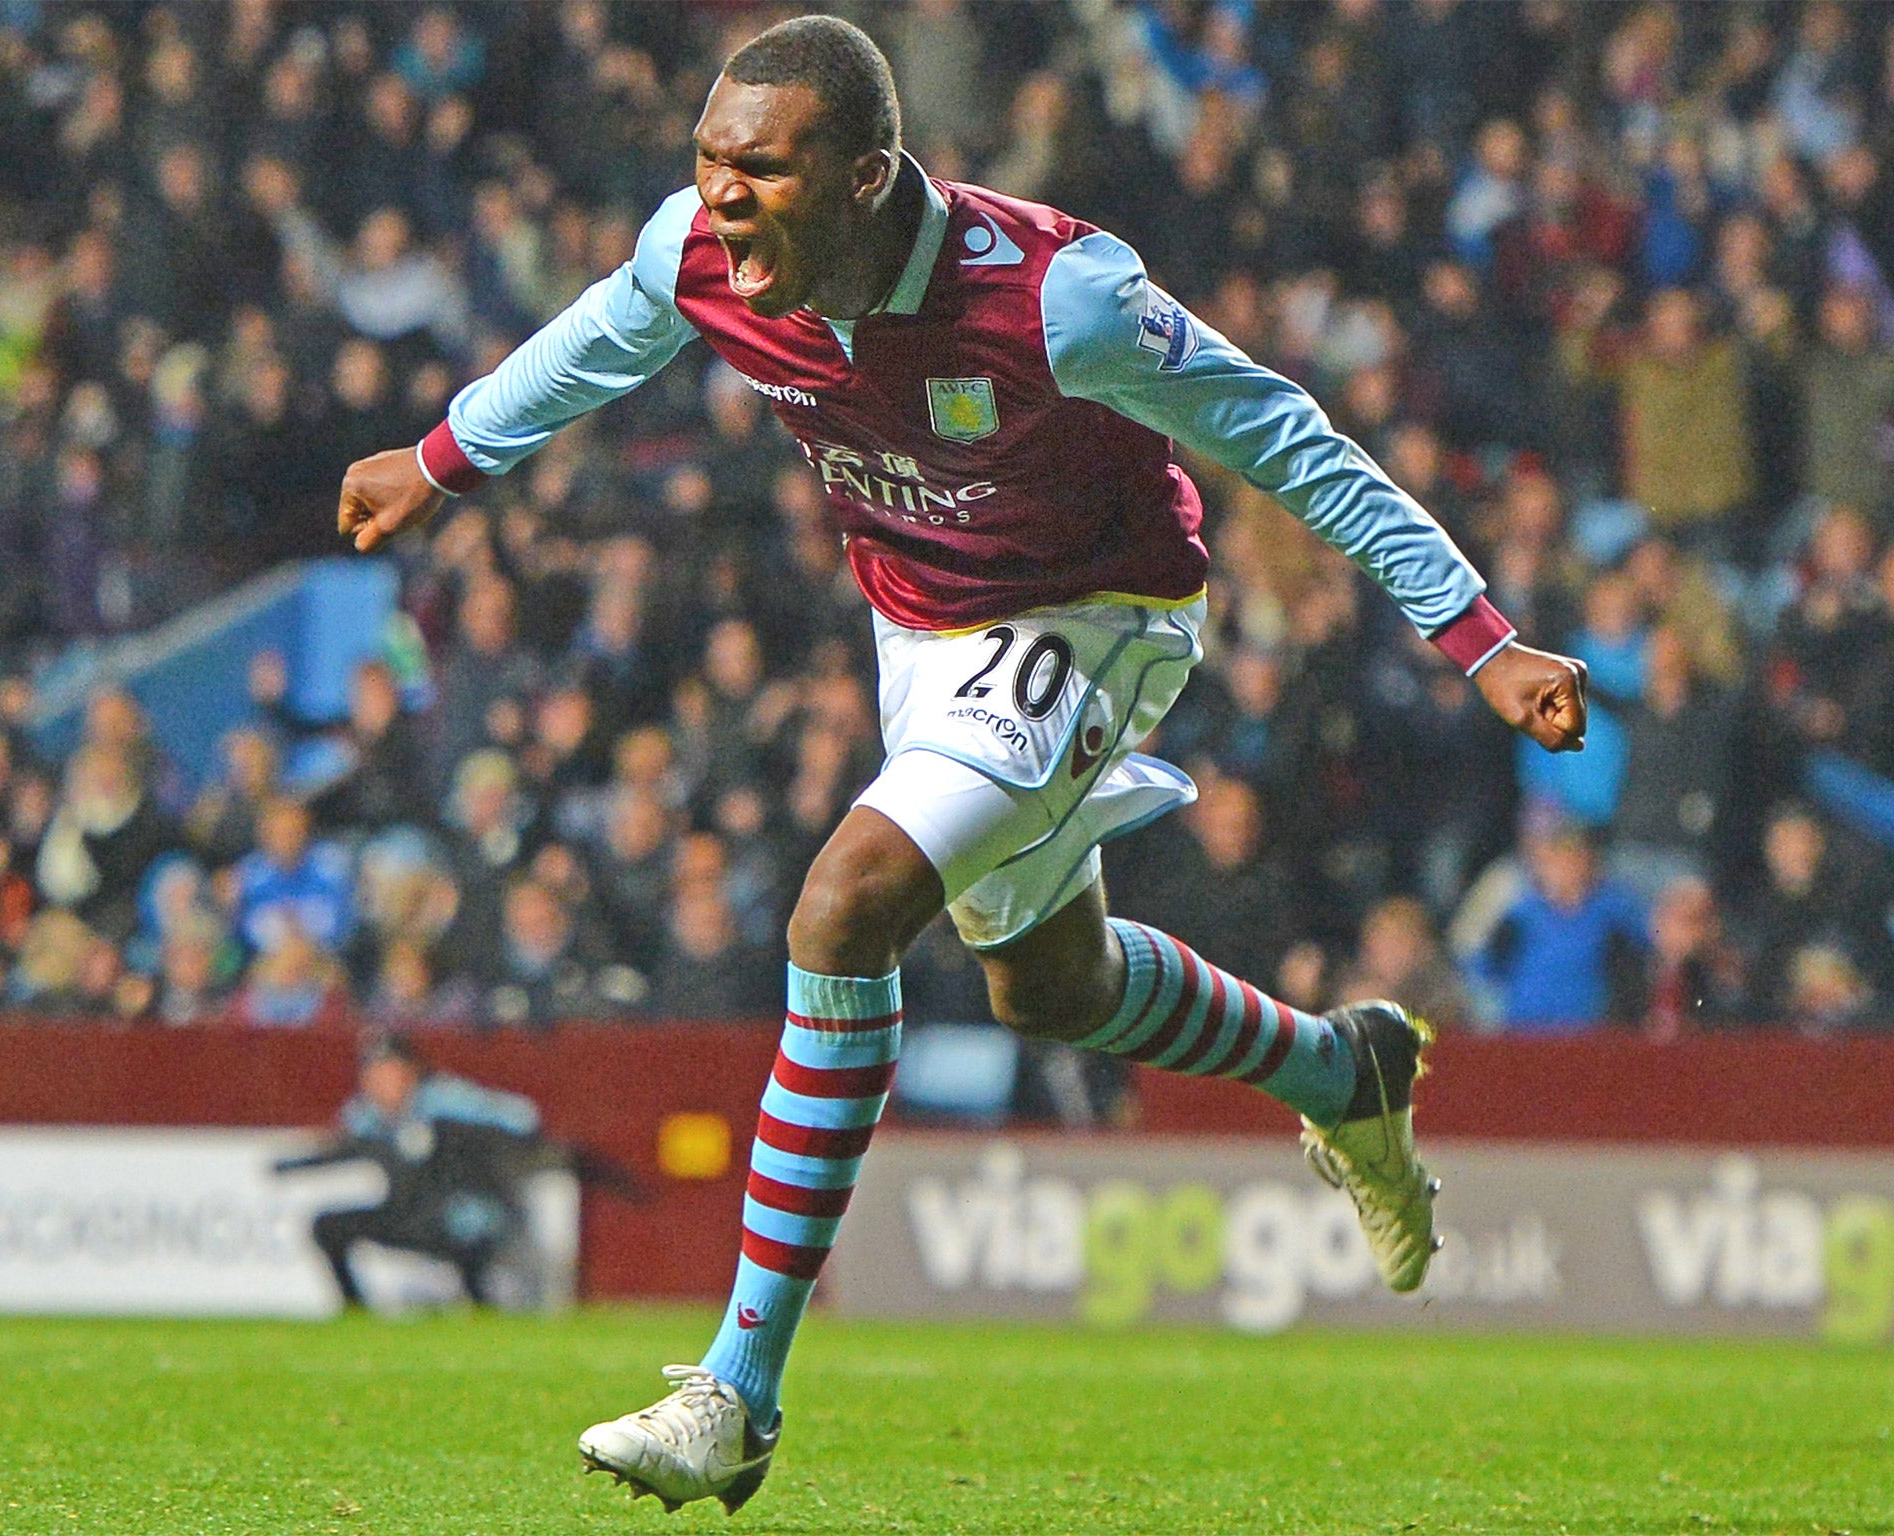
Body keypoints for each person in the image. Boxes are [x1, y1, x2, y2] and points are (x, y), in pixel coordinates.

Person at [334, 16, 1589, 1515]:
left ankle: (736, 1391)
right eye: (708, 162)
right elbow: (600, 334)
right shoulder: (704, 258)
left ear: (868, 177)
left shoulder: (1065, 301)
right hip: (919, 632)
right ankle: (1347, 1067)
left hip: (1094, 616)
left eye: (763, 168)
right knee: (1050, 989)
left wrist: (1484, 639)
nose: (722, 197)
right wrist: (437, 458)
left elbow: (1289, 439)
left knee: (841, 908)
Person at [277, 1034, 544, 1307]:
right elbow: (342, 1146)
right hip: (409, 1212)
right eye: (374, 1075)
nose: (383, 1083)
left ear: (411, 1072)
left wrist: (452, 1133)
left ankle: (481, 1304)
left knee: (470, 1228)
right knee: (328, 1226)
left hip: (460, 1211)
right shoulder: (367, 1115)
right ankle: (354, 1308)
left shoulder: (446, 1099)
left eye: (391, 1072)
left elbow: (522, 1119)